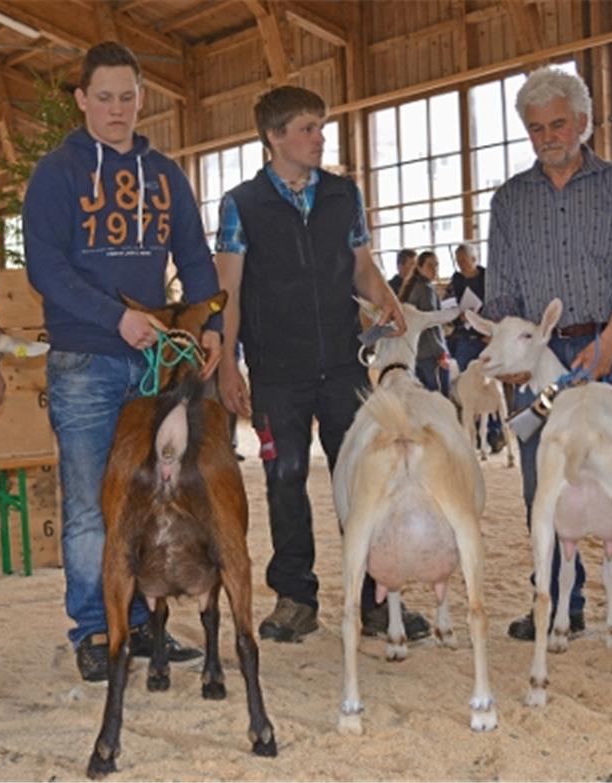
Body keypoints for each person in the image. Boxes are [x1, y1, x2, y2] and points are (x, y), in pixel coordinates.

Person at [22, 41, 218, 682]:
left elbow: (195, 257)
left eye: (126, 97)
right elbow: (46, 267)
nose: (116, 109)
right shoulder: (57, 174)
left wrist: (208, 325)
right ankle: (94, 627)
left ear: (141, 98)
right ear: (82, 99)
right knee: (89, 502)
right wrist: (115, 318)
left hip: (155, 364)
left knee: (155, 494)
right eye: (103, 97)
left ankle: (140, 622)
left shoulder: (165, 175)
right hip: (86, 359)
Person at [215, 85, 430, 644]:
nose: (320, 138)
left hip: (343, 365)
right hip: (276, 373)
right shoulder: (241, 205)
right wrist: (228, 365)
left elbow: (361, 264)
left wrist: (386, 299)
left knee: (363, 477)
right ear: (274, 137)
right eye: (307, 128)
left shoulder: (343, 195)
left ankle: (376, 597)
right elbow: (228, 292)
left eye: (321, 126)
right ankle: (295, 598)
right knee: (284, 480)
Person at [483, 66, 612, 658]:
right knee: (542, 483)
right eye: (535, 128)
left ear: (584, 122)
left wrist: (610, 343)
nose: (547, 137)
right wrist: (515, 357)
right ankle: (556, 604)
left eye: (558, 124)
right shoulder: (509, 200)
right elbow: (501, 290)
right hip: (538, 356)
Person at [446, 242, 504, 452]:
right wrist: (458, 316)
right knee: (468, 388)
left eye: (464, 260)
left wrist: (492, 333)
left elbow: (498, 306)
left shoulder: (488, 278)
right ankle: (477, 434)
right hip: (465, 338)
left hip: (486, 339)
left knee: (491, 386)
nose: (461, 264)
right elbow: (449, 305)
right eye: (458, 261)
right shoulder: (456, 280)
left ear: (474, 259)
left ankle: (496, 432)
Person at [399, 250, 450, 396]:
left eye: (436, 265)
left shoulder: (412, 286)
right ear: (419, 267)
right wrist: (440, 353)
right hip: (430, 354)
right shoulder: (426, 289)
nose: (435, 269)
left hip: (416, 353)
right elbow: (430, 324)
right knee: (440, 397)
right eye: (430, 265)